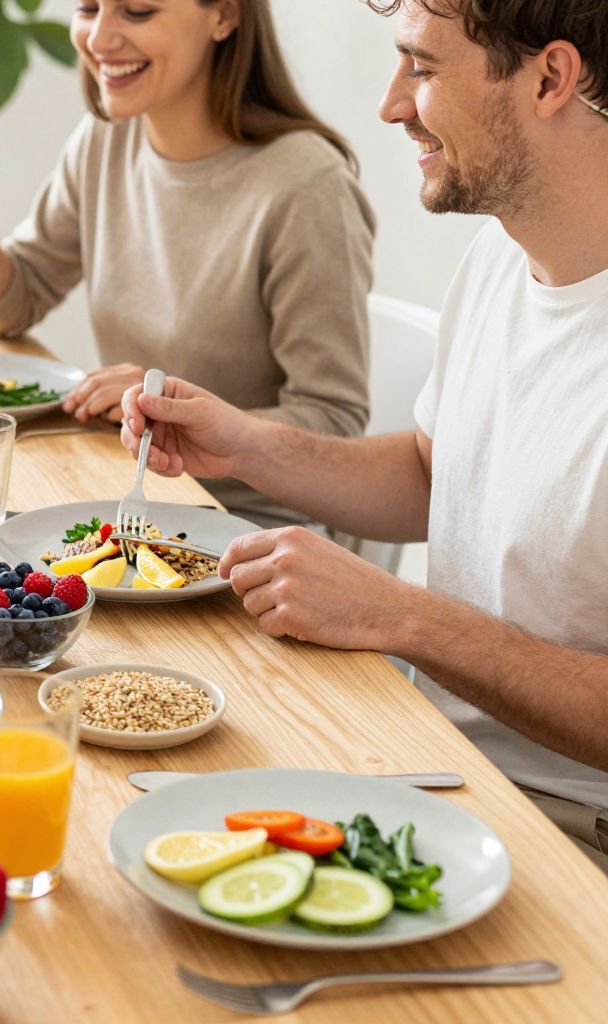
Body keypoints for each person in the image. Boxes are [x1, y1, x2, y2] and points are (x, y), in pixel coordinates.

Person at [117, 0, 608, 867]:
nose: (389, 104)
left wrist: (404, 618)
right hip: (433, 760)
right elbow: (433, 472)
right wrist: (250, 446)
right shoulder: (502, 256)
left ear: (550, 77)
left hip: (567, 824)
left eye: (421, 68)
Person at [0, 0, 374, 530]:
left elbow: (334, 426)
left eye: (137, 11)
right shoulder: (107, 137)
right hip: (124, 497)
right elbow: (17, 302)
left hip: (248, 535)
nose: (99, 40)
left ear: (224, 15)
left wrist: (173, 408)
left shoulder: (307, 187)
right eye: (88, 8)